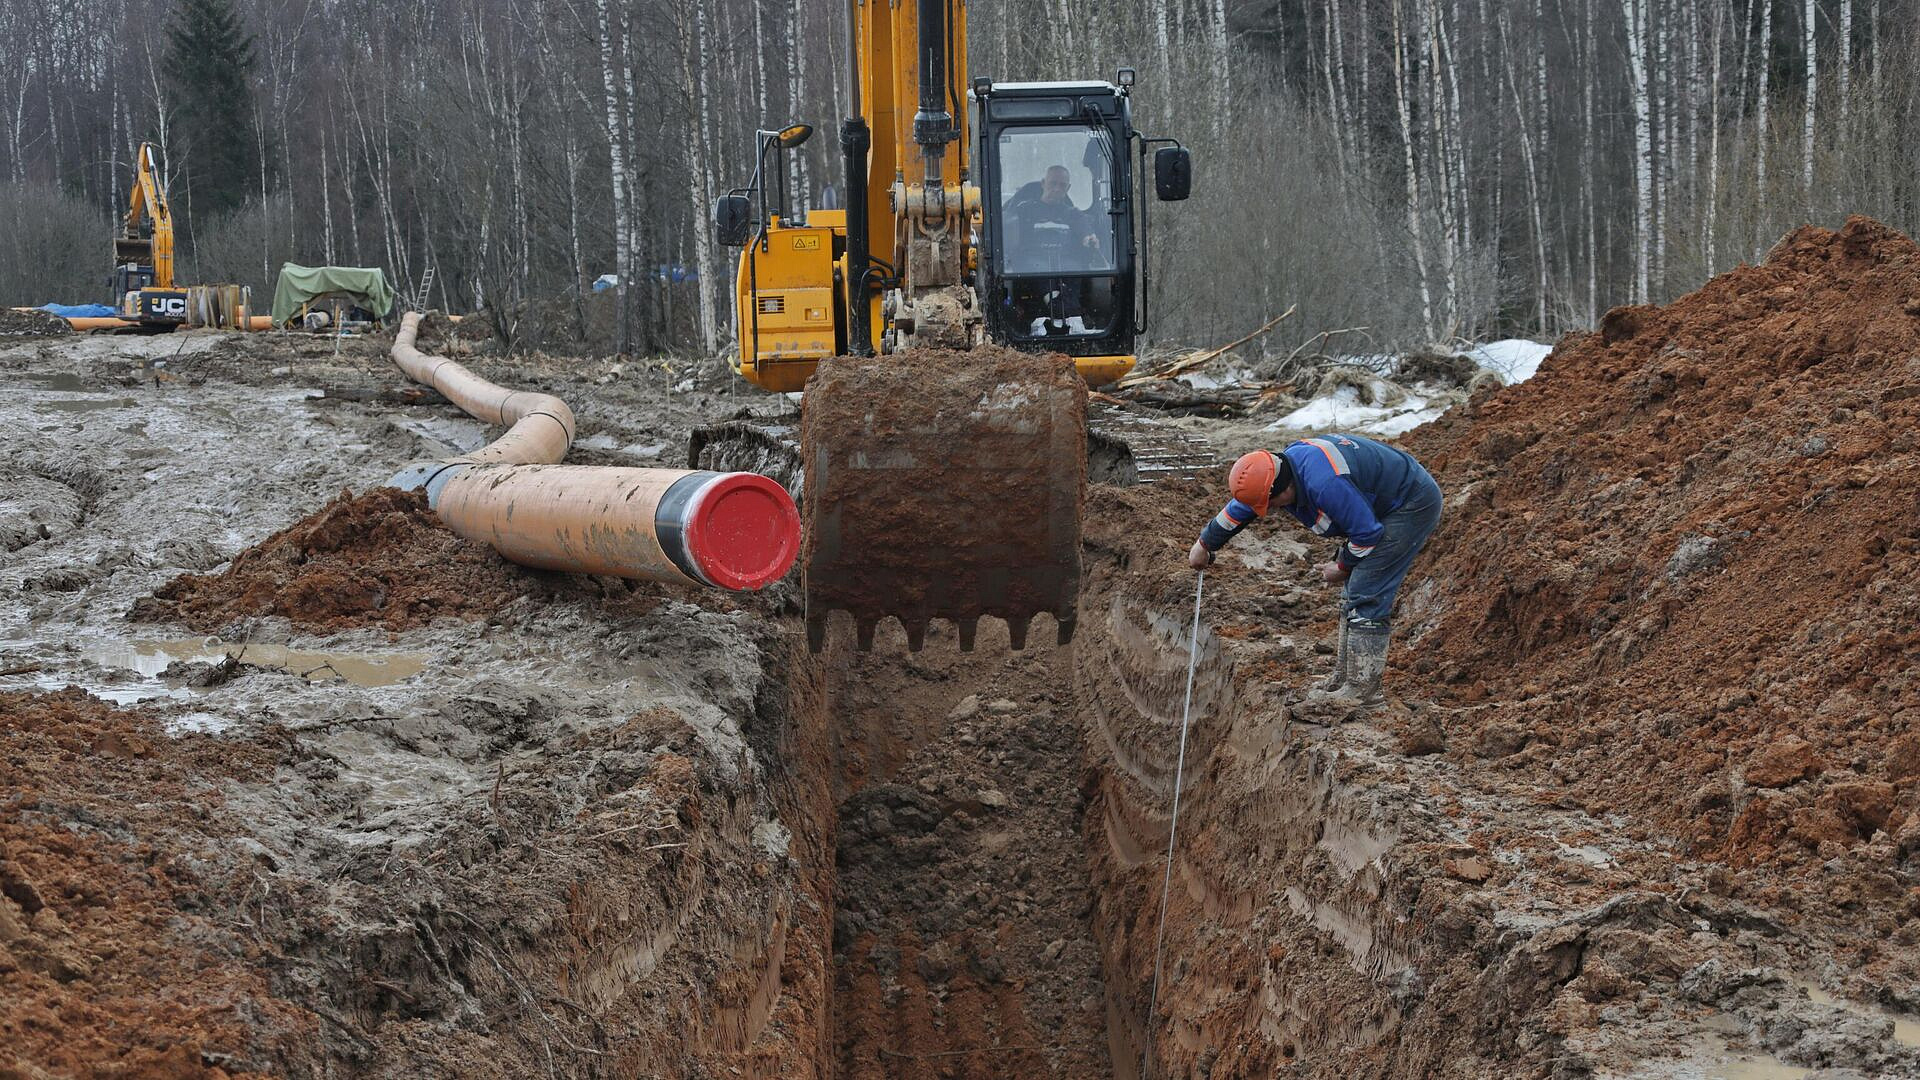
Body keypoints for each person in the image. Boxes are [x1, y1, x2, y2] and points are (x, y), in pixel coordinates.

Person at [1187, 434, 1443, 707]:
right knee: (1353, 592)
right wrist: (1205, 543)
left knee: (1365, 590)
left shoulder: (1326, 484)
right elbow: (1245, 506)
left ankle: (1363, 692)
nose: (1271, 510)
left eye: (1271, 503)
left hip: (1411, 504)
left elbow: (1367, 535)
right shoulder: (1278, 471)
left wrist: (1341, 566)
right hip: (1380, 501)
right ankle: (1345, 680)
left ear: (1282, 489)